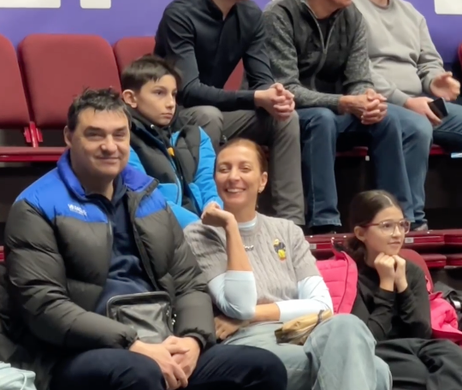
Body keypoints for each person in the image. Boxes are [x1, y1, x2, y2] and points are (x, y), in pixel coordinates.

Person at [4, 89, 288, 390]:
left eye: (119, 135)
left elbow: (189, 281)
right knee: (136, 375)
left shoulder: (148, 194)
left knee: (262, 370)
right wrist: (133, 344)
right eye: (95, 135)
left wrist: (194, 340)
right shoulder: (36, 205)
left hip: (164, 345)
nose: (110, 146)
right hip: (77, 358)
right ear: (69, 137)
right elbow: (44, 307)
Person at [185, 138, 400, 390]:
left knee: (346, 325)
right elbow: (238, 303)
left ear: (263, 180)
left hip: (304, 335)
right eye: (224, 169)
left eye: (244, 168)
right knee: (376, 372)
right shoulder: (199, 234)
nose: (233, 177)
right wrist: (230, 228)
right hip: (250, 349)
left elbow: (321, 306)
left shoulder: (286, 230)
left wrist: (255, 314)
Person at [263, 0, 432, 233]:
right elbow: (287, 88)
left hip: (336, 110)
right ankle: (324, 223)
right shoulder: (280, 14)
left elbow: (359, 80)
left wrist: (367, 98)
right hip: (285, 112)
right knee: (322, 119)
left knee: (385, 119)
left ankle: (398, 219)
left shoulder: (352, 15)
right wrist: (343, 102)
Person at [154, 0, 306, 227]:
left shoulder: (250, 14)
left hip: (218, 113)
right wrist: (256, 97)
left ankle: (290, 224)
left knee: (284, 119)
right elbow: (189, 90)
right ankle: (212, 217)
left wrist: (274, 95)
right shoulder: (180, 14)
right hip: (175, 116)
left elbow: (261, 80)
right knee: (209, 115)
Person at [348, 190, 462, 390]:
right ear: (361, 233)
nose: (397, 234)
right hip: (378, 351)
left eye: (402, 225)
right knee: (425, 371)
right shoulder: (350, 274)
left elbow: (421, 333)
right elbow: (368, 339)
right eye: (387, 226)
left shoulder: (411, 271)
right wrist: (386, 286)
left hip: (416, 348)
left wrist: (402, 285)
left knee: (451, 353)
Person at [122, 56, 222, 229]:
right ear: (131, 98)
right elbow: (146, 197)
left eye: (174, 94)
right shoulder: (122, 139)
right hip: (157, 230)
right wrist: (198, 228)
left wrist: (213, 207)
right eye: (159, 93)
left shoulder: (195, 135)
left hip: (201, 228)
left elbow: (206, 183)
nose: (170, 103)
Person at [354, 0, 462, 150]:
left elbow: (429, 61)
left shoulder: (411, 13)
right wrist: (404, 101)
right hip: (376, 104)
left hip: (418, 103)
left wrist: (433, 80)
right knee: (417, 127)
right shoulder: (350, 9)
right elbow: (357, 69)